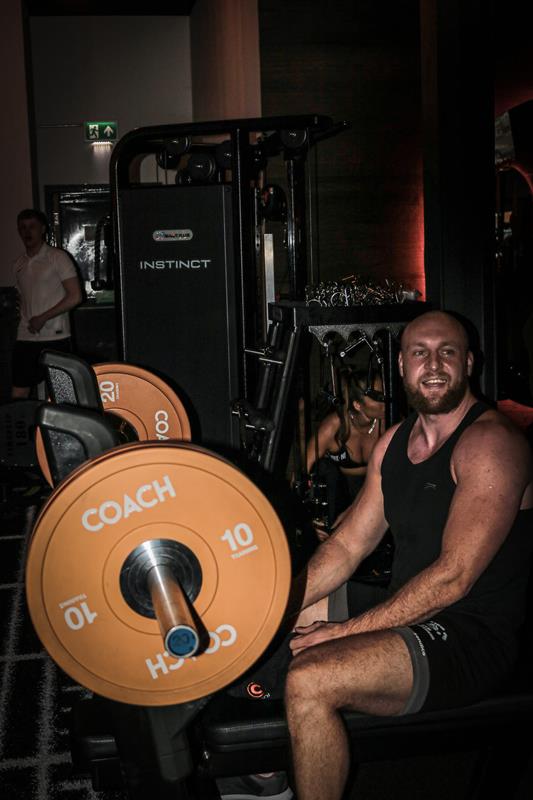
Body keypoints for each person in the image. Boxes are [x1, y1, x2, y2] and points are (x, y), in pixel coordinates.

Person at [281, 309, 533, 800]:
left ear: (469, 363)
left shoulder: (492, 444)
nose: (433, 365)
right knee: (277, 623)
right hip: (411, 609)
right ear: (401, 365)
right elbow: (348, 545)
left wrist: (342, 633)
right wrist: (277, 608)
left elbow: (453, 577)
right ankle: (266, 778)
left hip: (471, 636)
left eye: (447, 352)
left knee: (310, 679)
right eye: (420, 353)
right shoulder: (393, 443)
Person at [11, 208, 82, 399]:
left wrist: (43, 318)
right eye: (23, 227)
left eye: (32, 226)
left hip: (55, 337)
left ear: (42, 229)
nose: (27, 231)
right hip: (25, 337)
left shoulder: (57, 257)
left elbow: (75, 296)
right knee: (18, 393)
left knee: (62, 395)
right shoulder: (18, 263)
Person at [306, 367, 386, 535]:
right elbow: (303, 472)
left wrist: (356, 508)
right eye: (378, 397)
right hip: (339, 494)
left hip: (374, 490)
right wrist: (309, 519)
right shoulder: (333, 427)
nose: (385, 401)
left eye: (384, 394)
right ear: (357, 405)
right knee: (325, 468)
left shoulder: (388, 423)